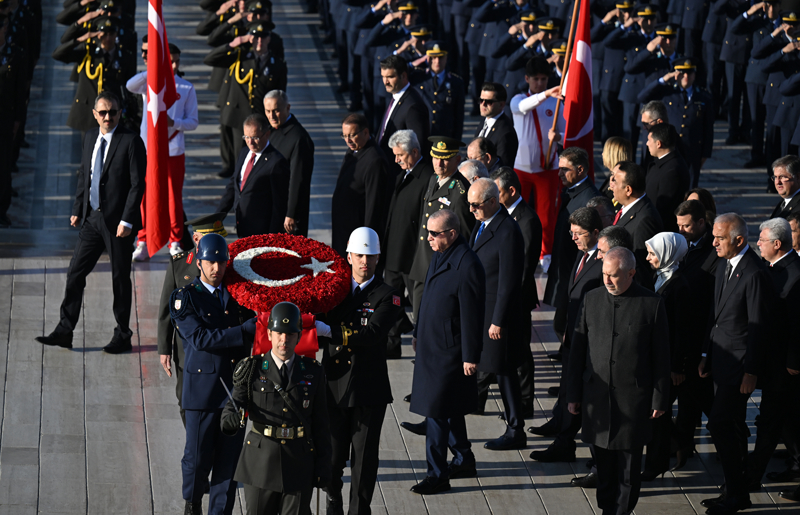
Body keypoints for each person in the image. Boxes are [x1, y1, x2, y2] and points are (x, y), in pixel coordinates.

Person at [36, 91, 146, 353]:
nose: (108, 117)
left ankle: (123, 334)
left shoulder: (131, 141)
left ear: (120, 113)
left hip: (119, 224)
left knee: (120, 279)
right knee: (75, 272)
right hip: (92, 218)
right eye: (103, 112)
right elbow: (84, 174)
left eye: (113, 112)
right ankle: (65, 329)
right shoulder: (89, 137)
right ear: (95, 114)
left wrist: (127, 220)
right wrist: (78, 208)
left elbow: (137, 184)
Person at [566, 247, 671, 515]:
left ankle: (621, 511)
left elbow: (661, 356)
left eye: (614, 276)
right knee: (603, 465)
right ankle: (606, 509)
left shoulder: (652, 303)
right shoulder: (592, 299)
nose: (607, 281)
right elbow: (577, 351)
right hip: (597, 398)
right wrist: (572, 394)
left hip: (632, 400)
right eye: (604, 274)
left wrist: (660, 397)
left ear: (632, 273)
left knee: (628, 468)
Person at [313, 227, 400, 515]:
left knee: (363, 461)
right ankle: (333, 500)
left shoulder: (388, 296)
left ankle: (359, 511)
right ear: (349, 256)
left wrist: (330, 331)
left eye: (371, 256)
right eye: (360, 255)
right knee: (333, 456)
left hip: (367, 389)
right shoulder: (333, 289)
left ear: (378, 258)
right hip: (335, 385)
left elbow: (372, 333)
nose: (365, 261)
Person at [169, 233, 256, 515]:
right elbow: (201, 339)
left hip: (234, 392)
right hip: (202, 393)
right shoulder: (185, 299)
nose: (216, 268)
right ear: (199, 262)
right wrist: (243, 332)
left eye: (221, 262)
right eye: (210, 262)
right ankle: (192, 502)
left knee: (227, 465)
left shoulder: (240, 297)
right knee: (196, 459)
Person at [219, 302, 331, 515]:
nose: (284, 340)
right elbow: (230, 410)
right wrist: (232, 420)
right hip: (260, 463)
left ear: (299, 336)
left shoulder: (313, 372)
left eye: (290, 334)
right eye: (279, 333)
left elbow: (321, 423)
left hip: (299, 462)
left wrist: (324, 465)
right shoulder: (251, 368)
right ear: (269, 334)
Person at [407, 209, 485, 495]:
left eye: (434, 233)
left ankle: (437, 474)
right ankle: (464, 457)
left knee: (436, 413)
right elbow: (429, 293)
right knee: (448, 409)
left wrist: (470, 355)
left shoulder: (467, 264)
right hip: (431, 344)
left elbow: (472, 314)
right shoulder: (441, 252)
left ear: (451, 234)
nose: (428, 238)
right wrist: (418, 332)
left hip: (449, 352)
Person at [699, 213, 773, 514]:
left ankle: (737, 492)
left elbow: (757, 327)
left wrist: (751, 372)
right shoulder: (722, 263)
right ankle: (734, 488)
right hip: (719, 360)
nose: (713, 242)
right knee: (731, 425)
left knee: (718, 423)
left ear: (738, 240)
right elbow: (714, 315)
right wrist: (705, 354)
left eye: (719, 237)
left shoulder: (754, 273)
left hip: (739, 366)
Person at [531, 207, 604, 462]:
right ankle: (563, 438)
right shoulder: (582, 254)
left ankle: (593, 457)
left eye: (578, 234)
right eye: (571, 233)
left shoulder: (603, 262)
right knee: (568, 389)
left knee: (583, 395)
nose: (573, 238)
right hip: (574, 335)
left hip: (589, 341)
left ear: (595, 233)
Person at [467, 178, 527, 450]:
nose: (471, 210)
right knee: (495, 368)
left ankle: (516, 429)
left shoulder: (507, 230)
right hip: (482, 310)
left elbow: (509, 281)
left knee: (503, 370)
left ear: (493, 201)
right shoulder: (482, 223)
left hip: (495, 316)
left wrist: (498, 320)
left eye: (476, 205)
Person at [127, 39, 199, 260]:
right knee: (145, 195)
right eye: (170, 62)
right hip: (149, 149)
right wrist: (153, 69)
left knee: (172, 198)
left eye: (177, 62)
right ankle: (143, 239)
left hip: (173, 150)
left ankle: (175, 240)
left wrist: (173, 123)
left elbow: (193, 122)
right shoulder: (151, 82)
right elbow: (130, 85)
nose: (174, 66)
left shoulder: (186, 87)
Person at [157, 213, 229, 426]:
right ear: (196, 239)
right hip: (186, 348)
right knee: (185, 399)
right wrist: (164, 349)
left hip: (220, 343)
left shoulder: (226, 263)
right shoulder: (179, 265)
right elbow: (166, 309)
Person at [747, 218, 800, 494]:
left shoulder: (795, 274)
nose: (758, 243)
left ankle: (750, 478)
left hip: (786, 367)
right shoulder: (774, 269)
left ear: (777, 244)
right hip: (775, 362)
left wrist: (794, 360)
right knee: (785, 421)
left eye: (762, 240)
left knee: (770, 421)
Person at [204, 21, 288, 178]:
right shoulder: (241, 57)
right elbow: (210, 59)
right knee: (239, 158)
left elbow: (280, 95)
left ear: (269, 39)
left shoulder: (277, 65)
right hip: (239, 117)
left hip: (261, 120)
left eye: (263, 38)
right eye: (255, 38)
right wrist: (234, 44)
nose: (259, 42)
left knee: (260, 158)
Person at [491, 166, 542, 417]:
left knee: (521, 352)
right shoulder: (502, 214)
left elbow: (524, 266)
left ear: (511, 191)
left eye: (497, 191)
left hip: (518, 299)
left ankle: (525, 404)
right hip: (502, 295)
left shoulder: (527, 219)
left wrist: (508, 299)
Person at [672, 200, 719, 468]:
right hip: (689, 337)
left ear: (702, 223)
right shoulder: (687, 244)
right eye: (679, 226)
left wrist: (704, 350)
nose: (682, 230)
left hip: (700, 337)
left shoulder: (712, 251)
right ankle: (683, 448)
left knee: (702, 398)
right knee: (689, 399)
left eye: (687, 225)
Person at [641, 232, 691, 479]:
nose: (649, 258)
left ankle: (656, 463)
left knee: (658, 414)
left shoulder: (680, 285)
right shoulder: (659, 276)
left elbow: (683, 330)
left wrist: (678, 367)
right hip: (657, 358)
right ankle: (679, 443)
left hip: (670, 363)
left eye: (653, 253)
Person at [407, 136, 474, 320]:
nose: (439, 163)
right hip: (423, 263)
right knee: (419, 320)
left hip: (440, 267)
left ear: (458, 160)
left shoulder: (460, 192)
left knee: (433, 321)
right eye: (436, 157)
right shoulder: (433, 180)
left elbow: (462, 237)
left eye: (446, 158)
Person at [383, 130, 434, 358]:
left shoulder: (427, 177)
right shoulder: (404, 174)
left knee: (419, 305)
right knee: (392, 302)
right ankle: (391, 345)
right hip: (395, 253)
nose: (396, 160)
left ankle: (425, 349)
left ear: (414, 152)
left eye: (400, 155)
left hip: (414, 255)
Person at [542, 147, 599, 345]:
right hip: (565, 266)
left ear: (581, 170)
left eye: (565, 169)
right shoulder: (573, 192)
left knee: (565, 323)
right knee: (561, 322)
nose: (559, 174)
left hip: (574, 270)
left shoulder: (589, 199)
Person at [510, 57, 564, 258]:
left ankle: (545, 254)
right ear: (527, 78)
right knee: (516, 212)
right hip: (521, 168)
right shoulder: (518, 99)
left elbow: (568, 132)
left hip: (547, 168)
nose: (540, 83)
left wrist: (559, 137)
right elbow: (524, 107)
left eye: (544, 79)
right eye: (536, 79)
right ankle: (517, 250)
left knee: (546, 216)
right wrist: (546, 93)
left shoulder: (555, 103)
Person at [637, 57, 714, 187]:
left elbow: (708, 127)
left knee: (689, 187)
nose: (685, 76)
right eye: (681, 73)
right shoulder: (667, 92)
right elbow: (642, 97)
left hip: (692, 149)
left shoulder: (703, 96)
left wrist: (706, 153)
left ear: (694, 75)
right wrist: (664, 79)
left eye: (689, 73)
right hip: (670, 148)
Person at [217, 113, 291, 238]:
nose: (250, 142)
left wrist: (272, 238)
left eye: (255, 138)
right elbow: (234, 186)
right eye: (246, 137)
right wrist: (217, 216)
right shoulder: (244, 152)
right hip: (242, 225)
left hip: (262, 232)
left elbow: (280, 205)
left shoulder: (276, 162)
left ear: (267, 134)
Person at [331, 113, 390, 258]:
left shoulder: (375, 160)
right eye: (344, 136)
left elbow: (374, 205)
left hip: (357, 235)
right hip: (344, 230)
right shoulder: (354, 150)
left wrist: (366, 241)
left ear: (365, 132)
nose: (348, 140)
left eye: (352, 135)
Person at [263, 90, 315, 236]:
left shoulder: (299, 139)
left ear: (287, 108)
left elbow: (298, 180)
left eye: (276, 111)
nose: (271, 116)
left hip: (286, 215)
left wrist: (291, 214)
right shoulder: (270, 131)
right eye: (268, 111)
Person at [609, 161, 663, 289]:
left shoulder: (645, 219)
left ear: (628, 190)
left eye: (615, 182)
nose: (611, 186)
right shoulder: (627, 208)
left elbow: (641, 268)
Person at [376, 54, 430, 170]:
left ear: (403, 76)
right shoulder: (395, 97)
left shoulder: (413, 106)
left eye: (390, 77)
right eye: (383, 77)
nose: (385, 82)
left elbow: (418, 147)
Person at [414, 40, 466, 140]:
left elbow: (459, 116)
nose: (437, 61)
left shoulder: (456, 82)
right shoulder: (418, 79)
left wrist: (456, 141)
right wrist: (412, 64)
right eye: (433, 57)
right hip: (422, 136)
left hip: (444, 136)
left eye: (440, 57)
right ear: (427, 58)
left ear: (446, 58)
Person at [643, 123, 690, 233]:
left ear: (659, 144)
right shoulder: (661, 163)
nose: (647, 143)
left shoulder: (672, 171)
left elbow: (664, 209)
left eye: (649, 140)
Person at [474, 82, 518, 167]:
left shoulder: (506, 133)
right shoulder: (485, 121)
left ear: (501, 104)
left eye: (489, 102)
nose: (483, 104)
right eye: (481, 100)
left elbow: (502, 169)